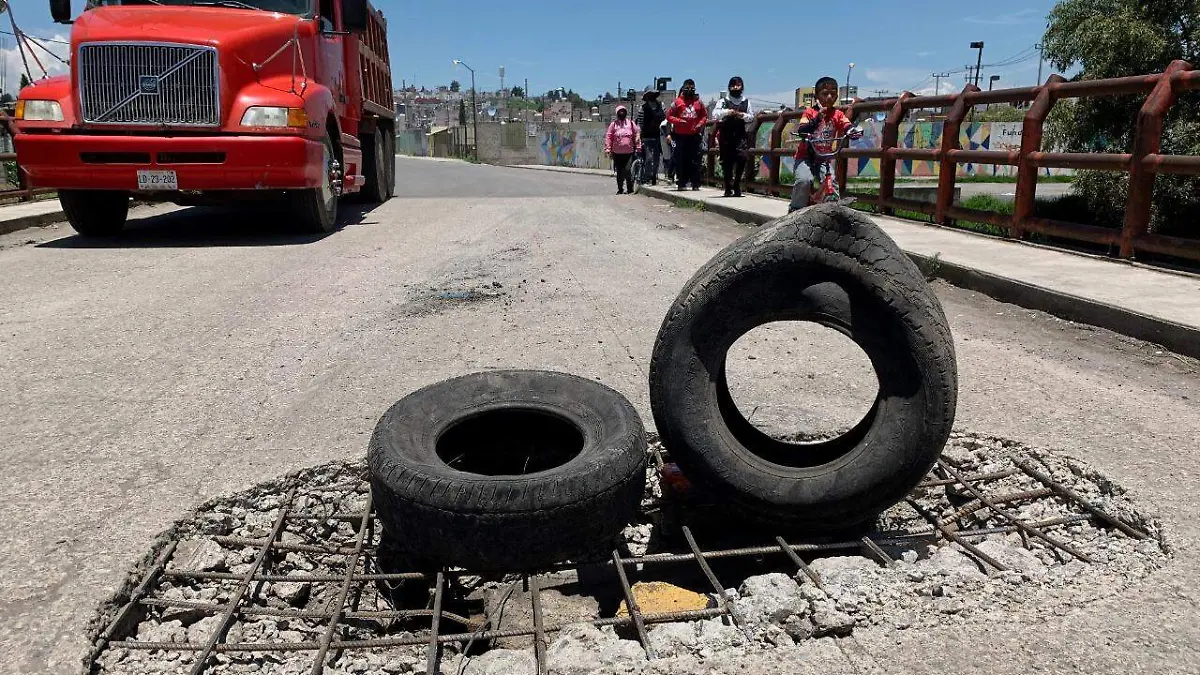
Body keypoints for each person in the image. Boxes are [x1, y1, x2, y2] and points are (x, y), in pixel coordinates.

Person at [789, 76, 855, 212]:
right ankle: (795, 210)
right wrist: (817, 119)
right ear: (816, 96)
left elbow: (846, 123)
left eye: (833, 93)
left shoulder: (837, 114)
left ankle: (834, 212)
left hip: (823, 158)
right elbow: (802, 129)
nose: (829, 97)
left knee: (832, 181)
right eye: (825, 94)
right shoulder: (809, 112)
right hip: (805, 156)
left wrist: (852, 131)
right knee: (804, 180)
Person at [711, 76, 753, 197]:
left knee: (742, 158)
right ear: (729, 87)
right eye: (733, 85)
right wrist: (727, 112)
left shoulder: (746, 101)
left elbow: (751, 117)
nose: (735, 87)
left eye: (738, 85)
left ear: (742, 87)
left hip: (740, 134)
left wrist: (742, 115)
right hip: (726, 134)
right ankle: (728, 186)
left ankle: (737, 183)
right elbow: (715, 114)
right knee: (727, 162)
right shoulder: (724, 101)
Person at [666, 79, 707, 191]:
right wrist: (679, 121)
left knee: (695, 159)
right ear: (683, 88)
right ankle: (681, 182)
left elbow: (704, 116)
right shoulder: (677, 102)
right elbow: (669, 116)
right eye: (687, 88)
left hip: (694, 135)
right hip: (680, 135)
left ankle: (695, 183)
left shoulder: (699, 102)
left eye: (692, 88)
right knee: (681, 159)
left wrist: (699, 124)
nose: (689, 90)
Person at [605, 105, 641, 194]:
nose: (622, 113)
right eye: (620, 112)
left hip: (629, 153)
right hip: (617, 153)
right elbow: (609, 136)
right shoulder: (613, 125)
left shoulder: (631, 123)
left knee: (628, 170)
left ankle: (630, 189)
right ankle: (620, 189)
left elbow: (637, 133)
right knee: (620, 172)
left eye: (623, 111)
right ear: (617, 113)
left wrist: (638, 145)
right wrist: (608, 149)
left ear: (626, 113)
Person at [635, 88, 666, 184]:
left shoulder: (661, 105)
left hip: (659, 135)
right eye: (649, 94)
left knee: (657, 158)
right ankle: (646, 176)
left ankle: (653, 177)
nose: (651, 96)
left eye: (653, 94)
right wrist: (638, 135)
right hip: (647, 136)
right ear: (646, 96)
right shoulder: (643, 108)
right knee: (648, 158)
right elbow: (640, 123)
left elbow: (665, 119)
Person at [660, 118, 676, 183]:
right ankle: (669, 175)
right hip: (670, 138)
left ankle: (671, 175)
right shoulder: (669, 118)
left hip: (678, 137)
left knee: (675, 156)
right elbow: (663, 126)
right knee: (672, 156)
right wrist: (667, 134)